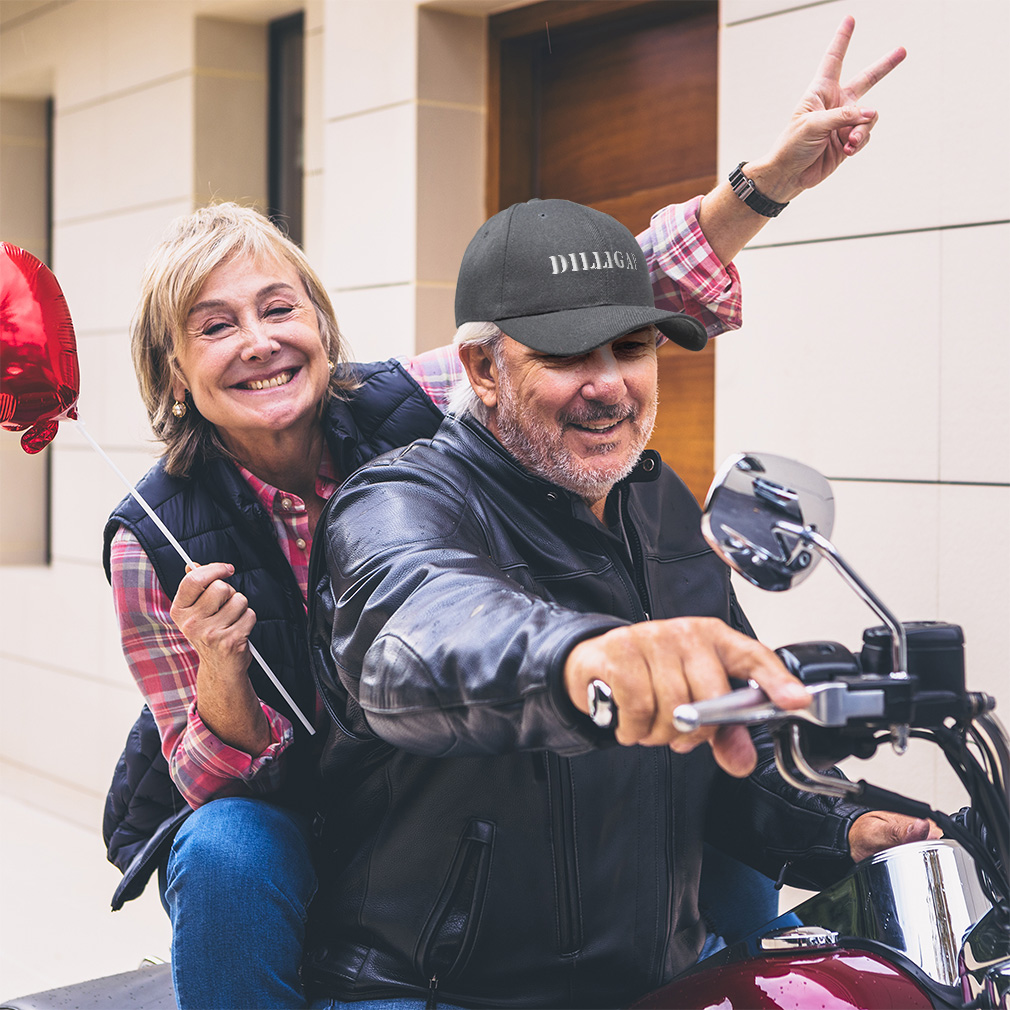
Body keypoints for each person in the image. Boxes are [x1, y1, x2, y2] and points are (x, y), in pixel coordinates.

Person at [101, 15, 907, 1008]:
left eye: (278, 308)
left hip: (437, 764)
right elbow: (386, 648)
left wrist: (764, 185)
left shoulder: (416, 401)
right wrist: (224, 666)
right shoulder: (156, 535)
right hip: (282, 787)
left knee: (711, 793)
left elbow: (585, 306)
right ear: (172, 367)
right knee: (230, 849)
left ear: (318, 319)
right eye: (215, 326)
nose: (259, 341)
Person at [306, 196, 938, 1010]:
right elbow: (416, 633)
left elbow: (731, 743)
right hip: (436, 990)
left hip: (654, 984)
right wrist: (580, 660)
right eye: (566, 354)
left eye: (632, 346)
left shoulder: (660, 505)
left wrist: (842, 827)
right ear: (483, 371)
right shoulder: (399, 500)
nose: (609, 385)